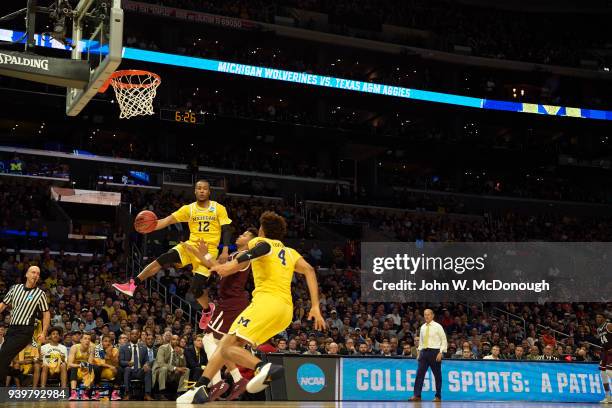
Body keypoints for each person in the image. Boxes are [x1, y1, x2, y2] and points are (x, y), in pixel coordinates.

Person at [186, 211, 325, 404]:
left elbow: (246, 257)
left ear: (262, 230)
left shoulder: (259, 243)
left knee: (224, 347)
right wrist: (315, 306)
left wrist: (223, 262)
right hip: (285, 312)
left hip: (264, 304)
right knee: (229, 345)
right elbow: (309, 270)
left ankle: (262, 367)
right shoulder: (290, 252)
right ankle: (202, 387)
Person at [113, 180, 232, 330]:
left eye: (205, 189)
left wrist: (225, 250)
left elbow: (227, 229)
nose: (202, 191)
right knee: (164, 258)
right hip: (190, 246)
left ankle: (208, 310)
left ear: (209, 192)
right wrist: (150, 226)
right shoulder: (189, 209)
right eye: (199, 188)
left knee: (195, 289)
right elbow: (168, 220)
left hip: (208, 252)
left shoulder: (218, 208)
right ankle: (133, 284)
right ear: (195, 191)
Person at [183, 228, 258, 401]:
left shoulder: (243, 257)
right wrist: (200, 253)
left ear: (251, 242)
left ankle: (218, 382)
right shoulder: (236, 256)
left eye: (245, 235)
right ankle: (237, 380)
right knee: (219, 343)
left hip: (232, 304)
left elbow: (218, 269)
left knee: (209, 338)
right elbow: (214, 265)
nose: (240, 235)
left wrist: (200, 254)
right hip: (230, 303)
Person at [0, 266, 50, 385]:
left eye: (38, 273)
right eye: (33, 272)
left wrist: (43, 332)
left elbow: (46, 314)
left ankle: (4, 386)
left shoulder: (40, 294)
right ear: (26, 274)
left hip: (25, 330)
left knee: (3, 356)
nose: (35, 275)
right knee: (3, 359)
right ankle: (22, 377)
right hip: (12, 329)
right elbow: (3, 305)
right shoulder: (15, 288)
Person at [409, 309, 447, 402]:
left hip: (435, 352)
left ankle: (438, 396)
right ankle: (417, 395)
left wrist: (441, 352)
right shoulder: (422, 327)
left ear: (433, 315)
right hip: (424, 353)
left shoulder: (438, 326)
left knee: (437, 375)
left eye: (428, 314)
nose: (426, 316)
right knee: (419, 374)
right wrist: (419, 352)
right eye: (425, 314)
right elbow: (421, 342)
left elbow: (444, 340)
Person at [119, 329, 153, 401]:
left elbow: (147, 360)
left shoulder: (143, 347)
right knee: (127, 369)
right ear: (130, 336)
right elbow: (121, 361)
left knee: (148, 370)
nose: (134, 335)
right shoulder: (123, 347)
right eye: (132, 334)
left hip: (140, 371)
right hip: (129, 371)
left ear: (138, 336)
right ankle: (127, 393)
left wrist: (146, 364)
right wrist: (128, 363)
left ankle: (147, 394)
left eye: (136, 334)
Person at [91, 334, 121, 400]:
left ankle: (115, 392)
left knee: (120, 369)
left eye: (109, 341)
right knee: (96, 367)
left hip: (111, 371)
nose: (107, 343)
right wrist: (110, 366)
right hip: (100, 371)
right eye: (105, 341)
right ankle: (97, 392)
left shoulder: (115, 350)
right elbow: (100, 363)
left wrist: (109, 353)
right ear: (101, 342)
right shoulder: (97, 349)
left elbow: (116, 363)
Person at [67, 332, 95, 400]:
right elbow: (69, 364)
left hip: (84, 368)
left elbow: (90, 363)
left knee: (91, 369)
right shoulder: (75, 347)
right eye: (85, 338)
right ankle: (73, 392)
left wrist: (91, 352)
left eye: (89, 339)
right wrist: (79, 365)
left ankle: (85, 392)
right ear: (81, 340)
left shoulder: (91, 349)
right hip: (73, 368)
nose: (87, 340)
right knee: (74, 368)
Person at [597, 313, 612, 404]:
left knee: (609, 371)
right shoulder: (599, 329)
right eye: (596, 317)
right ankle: (608, 396)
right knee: (602, 374)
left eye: (599, 317)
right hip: (605, 352)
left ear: (604, 318)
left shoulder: (609, 325)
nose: (597, 318)